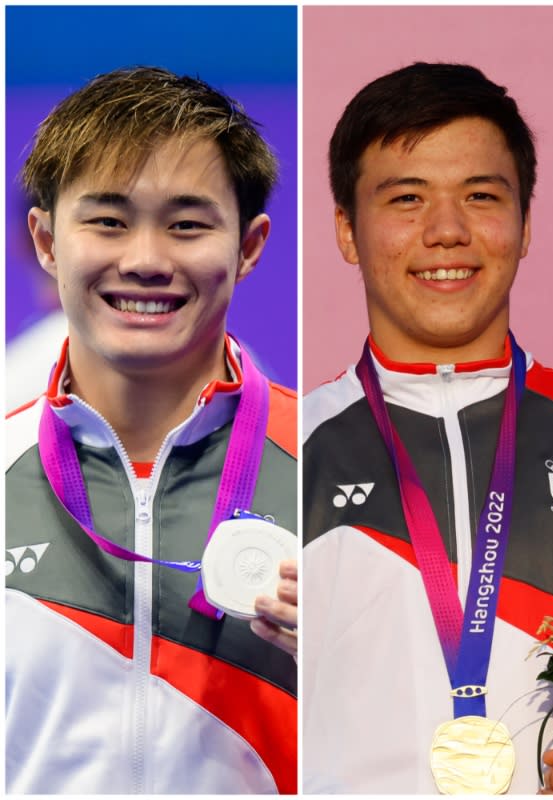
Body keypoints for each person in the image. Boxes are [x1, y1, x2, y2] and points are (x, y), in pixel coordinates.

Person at [301, 62, 553, 794]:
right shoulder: (282, 445)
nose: (447, 232)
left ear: (525, 224)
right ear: (346, 229)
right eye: (406, 199)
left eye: (481, 197)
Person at [5, 67, 298, 793]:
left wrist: (365, 669)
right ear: (46, 240)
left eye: (188, 224)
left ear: (251, 245)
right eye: (107, 220)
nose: (144, 260)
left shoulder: (345, 466)